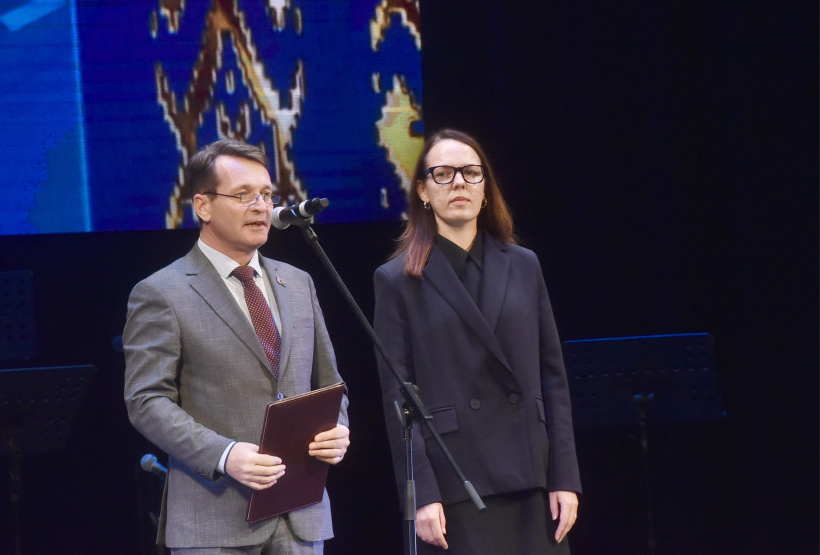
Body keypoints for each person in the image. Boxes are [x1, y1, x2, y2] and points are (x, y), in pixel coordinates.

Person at [123, 139, 350, 554]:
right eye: (243, 195)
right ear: (203, 206)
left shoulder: (298, 283)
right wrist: (224, 454)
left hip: (301, 515)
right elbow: (146, 400)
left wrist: (338, 428)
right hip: (215, 520)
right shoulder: (162, 292)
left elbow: (330, 385)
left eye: (266, 195)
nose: (261, 207)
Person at [373, 129, 581, 553]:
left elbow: (554, 379)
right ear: (423, 191)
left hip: (532, 474)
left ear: (485, 189)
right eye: (443, 174)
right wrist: (421, 494)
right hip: (454, 479)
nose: (459, 183)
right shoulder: (397, 280)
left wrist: (565, 477)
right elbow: (398, 399)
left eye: (471, 172)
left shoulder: (524, 265)